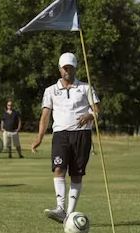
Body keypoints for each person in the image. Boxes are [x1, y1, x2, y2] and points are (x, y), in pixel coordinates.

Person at [31, 52, 100, 223]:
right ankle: (60, 208)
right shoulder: (50, 91)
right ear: (60, 69)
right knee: (59, 169)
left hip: (82, 135)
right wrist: (39, 137)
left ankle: (69, 214)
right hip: (60, 134)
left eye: (70, 67)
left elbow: (97, 111)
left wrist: (90, 115)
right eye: (65, 68)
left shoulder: (86, 88)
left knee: (76, 174)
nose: (67, 71)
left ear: (75, 68)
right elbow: (45, 116)